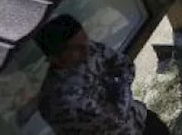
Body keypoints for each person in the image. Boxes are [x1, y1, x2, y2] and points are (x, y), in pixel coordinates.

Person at [35, 14, 170, 135]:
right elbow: (116, 118)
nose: (87, 49)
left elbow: (125, 65)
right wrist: (120, 86)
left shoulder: (87, 49)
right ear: (55, 58)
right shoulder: (60, 100)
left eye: (85, 40)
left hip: (140, 119)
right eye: (77, 48)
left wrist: (118, 93)